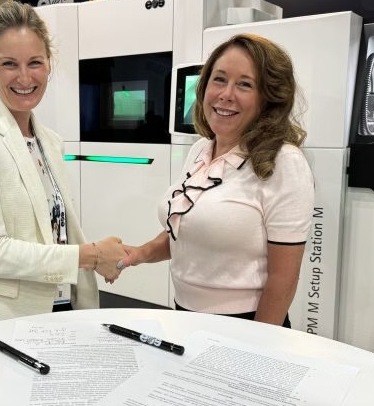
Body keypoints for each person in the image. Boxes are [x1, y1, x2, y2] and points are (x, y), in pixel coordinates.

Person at [0, 1, 126, 333]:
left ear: (49, 64)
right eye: (9, 64)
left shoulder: (50, 142)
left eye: (35, 62)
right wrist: (91, 255)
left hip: (58, 309)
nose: (25, 77)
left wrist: (100, 255)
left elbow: (54, 232)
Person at [118, 34, 314, 327]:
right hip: (184, 315)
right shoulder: (201, 150)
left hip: (245, 325)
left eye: (244, 84)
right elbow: (186, 230)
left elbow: (283, 279)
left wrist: (258, 343)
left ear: (268, 98)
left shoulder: (284, 162)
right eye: (219, 79)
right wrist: (140, 254)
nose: (226, 94)